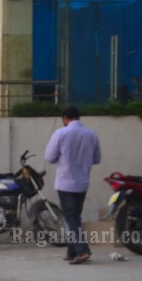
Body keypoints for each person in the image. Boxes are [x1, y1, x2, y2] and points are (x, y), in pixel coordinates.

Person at [44, 105, 102, 265]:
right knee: (75, 217)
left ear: (65, 119)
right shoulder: (91, 134)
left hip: (65, 182)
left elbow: (49, 157)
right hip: (83, 182)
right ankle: (72, 251)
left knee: (71, 218)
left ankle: (82, 251)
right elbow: (97, 159)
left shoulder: (61, 133)